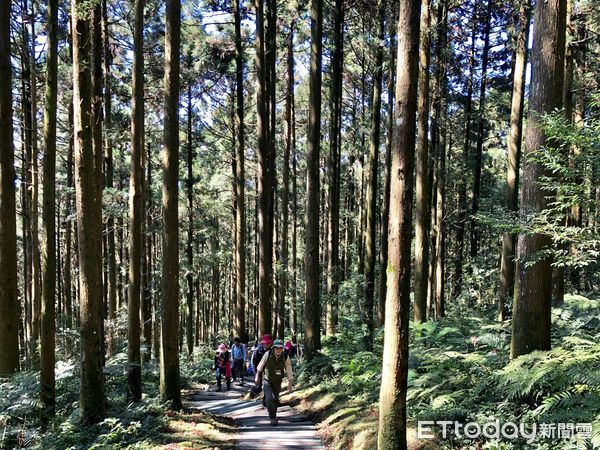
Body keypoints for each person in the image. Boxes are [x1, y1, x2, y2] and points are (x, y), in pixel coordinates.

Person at [255, 339, 293, 426]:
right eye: (277, 348)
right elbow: (260, 366)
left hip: (277, 381)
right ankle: (273, 417)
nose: (278, 350)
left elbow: (289, 370)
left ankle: (272, 411)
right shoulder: (268, 354)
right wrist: (257, 376)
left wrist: (290, 384)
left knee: (275, 399)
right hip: (267, 380)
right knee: (269, 398)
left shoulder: (285, 356)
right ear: (274, 348)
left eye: (280, 348)